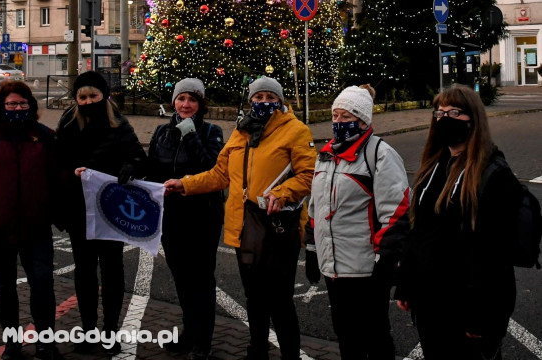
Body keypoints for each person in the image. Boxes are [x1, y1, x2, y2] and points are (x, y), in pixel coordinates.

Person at [165, 76, 316, 360]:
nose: (264, 102)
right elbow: (220, 175)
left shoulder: (295, 130)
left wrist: (282, 193)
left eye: (270, 98)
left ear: (280, 101)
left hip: (277, 226)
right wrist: (185, 184)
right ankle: (256, 351)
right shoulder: (241, 131)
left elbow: (308, 175)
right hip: (245, 227)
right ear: (250, 101)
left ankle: (290, 356)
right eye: (258, 98)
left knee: (280, 300)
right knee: (254, 297)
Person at [395, 85, 522, 360]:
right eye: (439, 113)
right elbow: (419, 230)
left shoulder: (493, 175)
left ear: (473, 120)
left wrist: (482, 316)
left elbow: (496, 255)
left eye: (454, 112)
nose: (444, 119)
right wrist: (406, 282)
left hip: (466, 312)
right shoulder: (434, 166)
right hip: (429, 304)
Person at [305, 85, 410, 360]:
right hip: (334, 268)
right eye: (335, 116)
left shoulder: (380, 154)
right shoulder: (326, 154)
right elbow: (316, 206)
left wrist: (385, 263)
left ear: (363, 120)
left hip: (366, 270)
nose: (338, 122)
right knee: (346, 335)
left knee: (375, 337)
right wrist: (312, 249)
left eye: (346, 116)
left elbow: (396, 212)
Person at [0, 81, 60, 360]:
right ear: (0, 106)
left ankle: (45, 343)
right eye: (11, 104)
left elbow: (57, 179)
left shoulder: (45, 136)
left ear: (31, 106)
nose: (17, 108)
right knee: (4, 287)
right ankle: (12, 343)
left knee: (43, 284)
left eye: (23, 103)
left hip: (36, 226)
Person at [55, 71, 146, 355]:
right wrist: (71, 174)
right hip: (79, 209)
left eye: (93, 96)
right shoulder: (68, 123)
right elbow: (56, 163)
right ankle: (88, 330)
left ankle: (110, 330)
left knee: (112, 271)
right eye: (82, 97)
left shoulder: (119, 123)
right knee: (84, 272)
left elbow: (138, 157)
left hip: (110, 209)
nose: (87, 101)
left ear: (104, 96)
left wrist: (131, 166)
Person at [145, 78, 224, 360]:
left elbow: (211, 169)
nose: (186, 105)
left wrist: (190, 134)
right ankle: (189, 332)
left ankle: (202, 341)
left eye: (192, 99)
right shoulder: (161, 132)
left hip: (202, 216)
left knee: (201, 279)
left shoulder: (212, 132)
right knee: (181, 278)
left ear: (201, 104)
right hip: (172, 217)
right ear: (174, 102)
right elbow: (152, 170)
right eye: (181, 99)